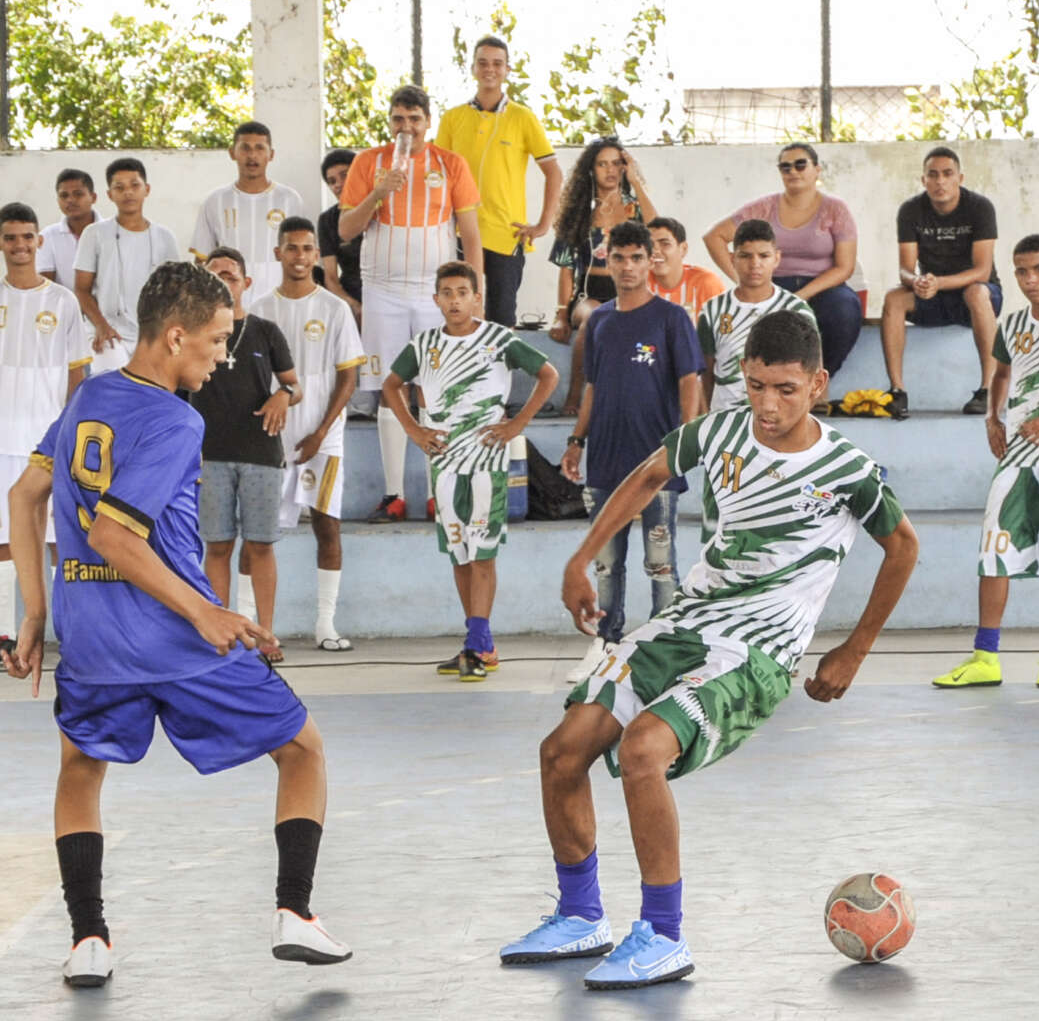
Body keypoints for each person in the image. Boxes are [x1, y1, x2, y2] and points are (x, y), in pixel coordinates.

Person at [502, 311, 919, 989]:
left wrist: (854, 649)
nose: (768, 405)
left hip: (759, 650)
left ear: (818, 384)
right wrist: (581, 558)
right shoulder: (719, 431)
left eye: (785, 389)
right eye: (755, 386)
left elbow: (903, 548)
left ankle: (664, 934)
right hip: (690, 622)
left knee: (643, 751)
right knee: (561, 751)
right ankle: (581, 916)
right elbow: (644, 478)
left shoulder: (848, 468)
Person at [4, 260, 353, 987]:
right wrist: (208, 610)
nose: (225, 356)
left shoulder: (89, 397)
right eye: (219, 340)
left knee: (79, 770)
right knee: (304, 751)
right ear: (174, 337)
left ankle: (88, 939)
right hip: (178, 637)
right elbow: (113, 535)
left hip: (93, 638)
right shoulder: (174, 418)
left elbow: (23, 494)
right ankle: (295, 912)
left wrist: (37, 611)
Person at [933, 235, 1039, 693]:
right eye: (1021, 271)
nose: (1030, 280)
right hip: (1018, 456)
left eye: (1038, 269)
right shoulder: (1011, 325)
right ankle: (985, 656)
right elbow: (1003, 374)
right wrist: (994, 418)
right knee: (994, 549)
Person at [380, 262, 555, 680]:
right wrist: (415, 429)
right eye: (446, 292)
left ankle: (479, 644)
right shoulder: (424, 344)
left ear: (476, 296)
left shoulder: (498, 339)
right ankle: (477, 642)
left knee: (482, 551)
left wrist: (516, 424)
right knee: (458, 551)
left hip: (486, 459)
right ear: (436, 298)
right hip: (443, 460)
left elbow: (548, 374)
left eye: (462, 292)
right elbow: (390, 385)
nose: (454, 299)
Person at [0, 202, 92, 670]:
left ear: (39, 241)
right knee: (0, 537)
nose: (20, 245)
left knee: (58, 539)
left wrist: (70, 431)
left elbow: (78, 373)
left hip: (46, 439)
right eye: (11, 237)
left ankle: (68, 636)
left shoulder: (63, 301)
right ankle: (7, 637)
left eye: (27, 237)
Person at [339, 84, 486, 521]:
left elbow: (471, 234)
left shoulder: (450, 163)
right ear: (390, 121)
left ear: (428, 122)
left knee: (434, 388)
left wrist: (474, 295)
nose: (407, 128)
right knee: (391, 386)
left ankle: (437, 494)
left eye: (415, 120)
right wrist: (377, 193)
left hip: (433, 290)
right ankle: (393, 494)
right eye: (399, 120)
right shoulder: (369, 162)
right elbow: (346, 230)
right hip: (382, 287)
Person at [565, 222, 706, 656]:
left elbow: (690, 380)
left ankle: (665, 645)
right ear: (607, 260)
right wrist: (577, 440)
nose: (627, 267)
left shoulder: (671, 318)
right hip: (605, 462)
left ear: (651, 260)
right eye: (619, 258)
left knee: (660, 564)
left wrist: (682, 442)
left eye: (636, 257)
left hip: (655, 464)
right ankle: (606, 645)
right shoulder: (599, 320)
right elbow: (592, 386)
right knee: (607, 564)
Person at [247, 216, 368, 653]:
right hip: (269, 438)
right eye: (291, 248)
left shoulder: (334, 308)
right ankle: (251, 628)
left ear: (317, 255)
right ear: (278, 253)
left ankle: (325, 624)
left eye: (307, 249)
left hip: (323, 437)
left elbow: (348, 379)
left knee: (327, 527)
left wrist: (320, 432)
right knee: (257, 533)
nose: (300, 256)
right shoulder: (259, 308)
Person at [188, 248, 301, 661]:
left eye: (231, 277)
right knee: (217, 546)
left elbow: (294, 384)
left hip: (260, 453)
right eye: (215, 277)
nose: (224, 283)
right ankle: (221, 633)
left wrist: (283, 397)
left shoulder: (265, 331)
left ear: (246, 283)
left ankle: (267, 634)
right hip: (210, 455)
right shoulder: (191, 332)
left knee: (260, 545)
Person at [704, 143, 863, 381]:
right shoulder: (764, 207)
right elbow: (714, 237)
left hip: (822, 287)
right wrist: (743, 279)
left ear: (817, 170)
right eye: (785, 167)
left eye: (801, 165)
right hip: (772, 282)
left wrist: (801, 295)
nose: (793, 172)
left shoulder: (835, 209)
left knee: (845, 310)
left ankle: (816, 381)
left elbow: (845, 267)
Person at [435, 34, 562, 328]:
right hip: (458, 233)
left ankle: (499, 376)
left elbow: (553, 172)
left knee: (502, 319)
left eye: (497, 63)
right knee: (458, 314)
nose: (489, 69)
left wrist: (543, 224)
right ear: (473, 68)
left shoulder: (523, 117)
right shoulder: (453, 118)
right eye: (483, 63)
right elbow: (439, 174)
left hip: (507, 235)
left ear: (506, 70)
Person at [879, 147, 1001, 418]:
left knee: (976, 292)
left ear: (960, 177)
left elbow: (982, 270)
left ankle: (988, 389)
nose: (940, 181)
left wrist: (939, 282)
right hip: (934, 294)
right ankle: (897, 392)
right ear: (924, 180)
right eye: (933, 175)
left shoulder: (980, 207)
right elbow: (905, 271)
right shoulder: (911, 210)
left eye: (947, 174)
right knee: (893, 298)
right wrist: (918, 281)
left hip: (979, 295)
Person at [546, 136, 657, 420]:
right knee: (595, 319)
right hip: (589, 292)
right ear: (591, 169)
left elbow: (656, 229)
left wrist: (637, 181)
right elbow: (566, 268)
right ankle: (574, 393)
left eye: (617, 163)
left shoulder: (634, 207)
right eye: (602, 164)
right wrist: (561, 314)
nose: (610, 170)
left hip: (630, 289)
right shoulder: (580, 210)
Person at [74, 156, 184, 376]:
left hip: (152, 334)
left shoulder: (164, 237)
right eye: (119, 187)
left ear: (147, 189)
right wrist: (101, 325)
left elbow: (175, 292)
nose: (128, 193)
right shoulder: (94, 234)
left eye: (135, 185)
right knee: (112, 391)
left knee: (148, 397)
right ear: (109, 194)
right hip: (108, 333)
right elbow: (82, 289)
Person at [695, 218, 814, 413]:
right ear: (733, 259)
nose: (755, 264)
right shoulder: (712, 310)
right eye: (746, 256)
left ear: (776, 258)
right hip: (727, 422)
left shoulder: (796, 311)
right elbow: (705, 374)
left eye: (763, 256)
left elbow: (811, 374)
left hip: (779, 421)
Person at [193, 120, 306, 304]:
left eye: (260, 148)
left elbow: (301, 254)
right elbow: (201, 261)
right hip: (228, 306)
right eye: (245, 148)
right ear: (232, 153)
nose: (252, 155)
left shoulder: (289, 199)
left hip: (279, 302)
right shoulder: (214, 201)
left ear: (271, 154)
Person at [313, 148, 364, 321]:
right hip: (350, 296)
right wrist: (352, 305)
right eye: (332, 181)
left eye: (344, 175)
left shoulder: (381, 209)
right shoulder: (327, 220)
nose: (338, 184)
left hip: (387, 295)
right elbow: (331, 278)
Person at [645, 216, 725, 313]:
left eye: (665, 244)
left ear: (683, 249)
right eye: (650, 245)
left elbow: (722, 326)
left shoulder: (706, 283)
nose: (655, 251)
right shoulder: (639, 284)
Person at [38, 167, 99, 286]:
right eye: (64, 195)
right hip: (64, 304)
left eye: (78, 194)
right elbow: (46, 286)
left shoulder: (111, 231)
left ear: (93, 197)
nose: (70, 200)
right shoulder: (48, 236)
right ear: (58, 200)